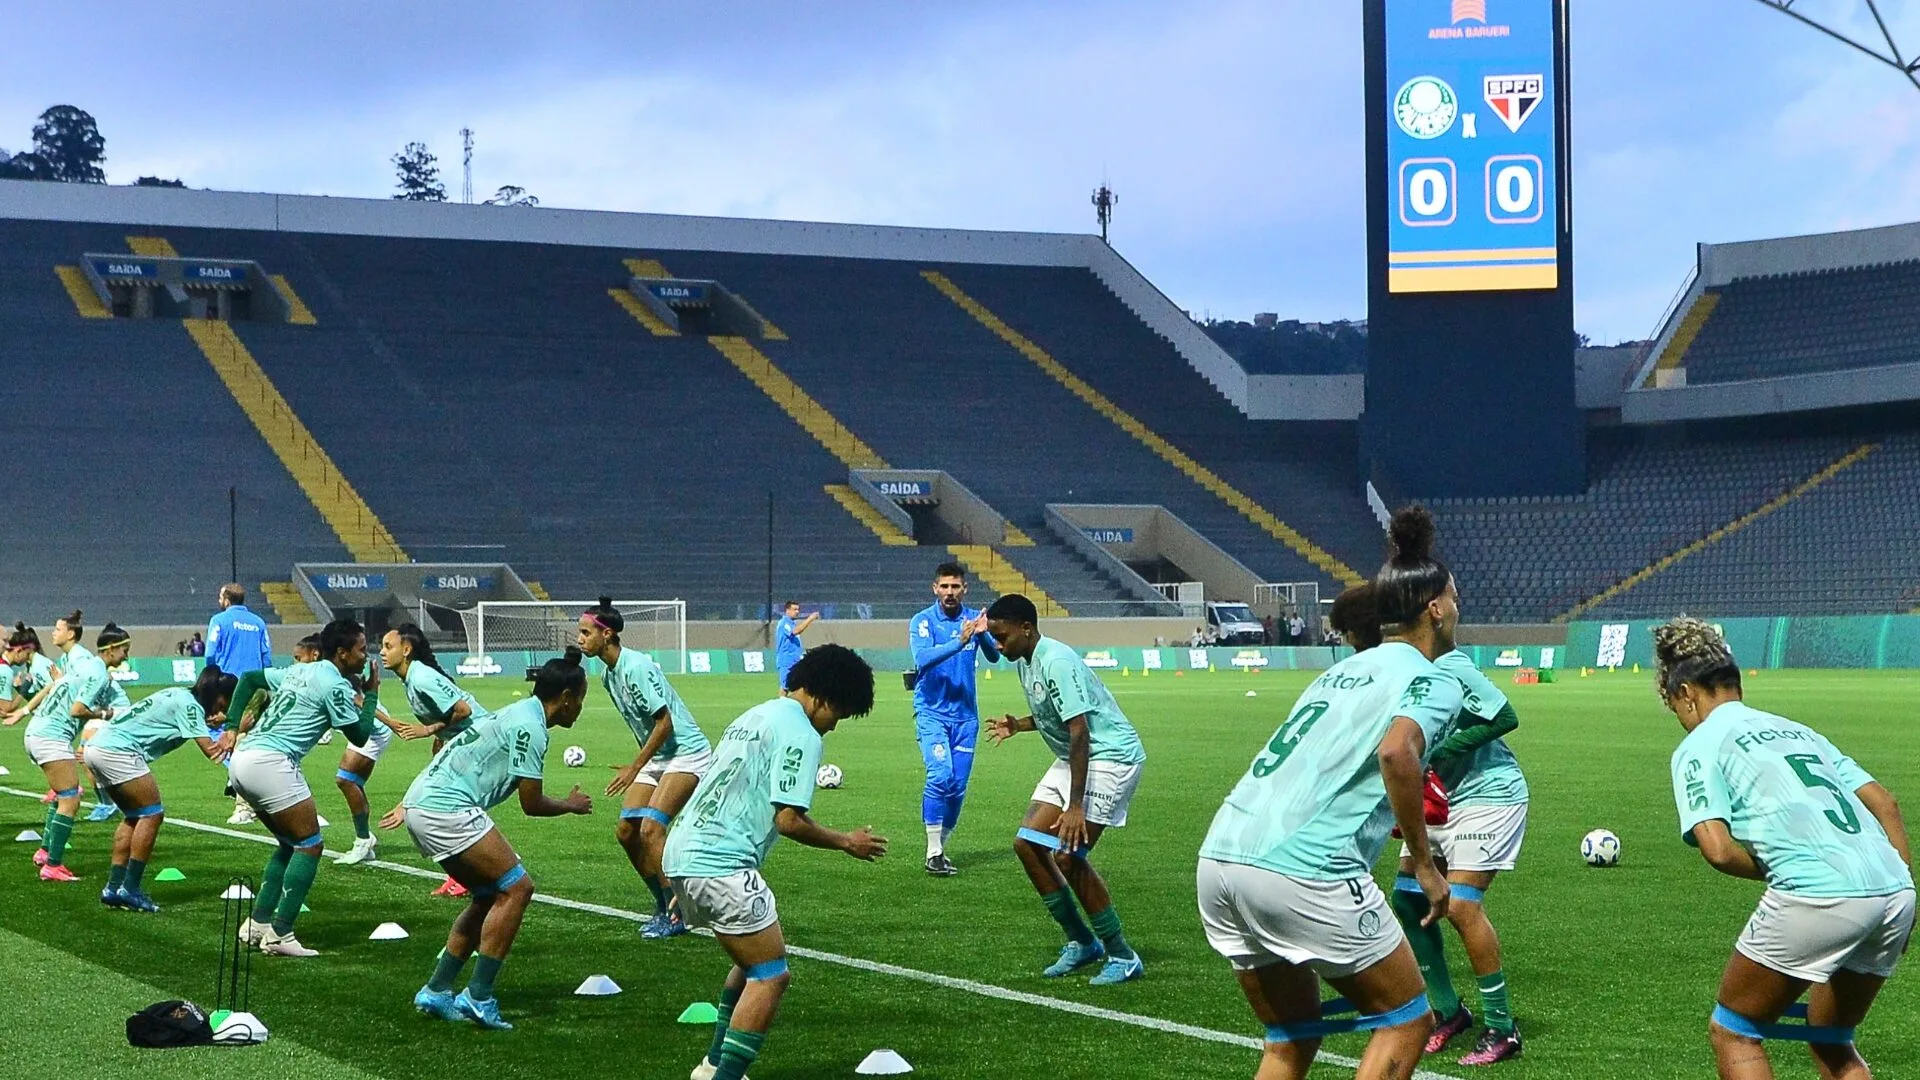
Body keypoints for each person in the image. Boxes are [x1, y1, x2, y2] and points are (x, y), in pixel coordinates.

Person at [1194, 507, 1463, 1080]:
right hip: (1304, 870)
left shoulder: (1335, 674)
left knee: (1291, 1038)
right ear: (1435, 609)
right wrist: (1421, 859)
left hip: (1221, 856)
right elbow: (1397, 753)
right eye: (1455, 599)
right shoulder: (1434, 678)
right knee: (1407, 1017)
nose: (1458, 611)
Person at [1660, 617, 1914, 1080]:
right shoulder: (1799, 731)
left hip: (1820, 893)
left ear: (1687, 696)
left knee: (1735, 1031)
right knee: (1831, 1039)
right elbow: (1886, 804)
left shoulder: (1700, 744)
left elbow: (1716, 849)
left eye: (1676, 708)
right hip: (1895, 891)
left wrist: (1785, 863)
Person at [664, 644, 885, 1080]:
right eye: (838, 714)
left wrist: (685, 881)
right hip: (721, 862)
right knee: (771, 976)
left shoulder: (756, 714)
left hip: (684, 853)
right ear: (821, 698)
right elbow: (789, 821)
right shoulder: (800, 730)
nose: (834, 726)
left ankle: (712, 1066)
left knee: (749, 964)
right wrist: (846, 842)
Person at [1330, 590, 1525, 1064]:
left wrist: (1438, 753)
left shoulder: (1451, 666)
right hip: (1439, 798)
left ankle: (1502, 1027)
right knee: (1408, 897)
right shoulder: (1392, 671)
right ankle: (1447, 1011)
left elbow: (1505, 716)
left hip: (1489, 793)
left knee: (1461, 906)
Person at [388, 649, 593, 1030]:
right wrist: (570, 805)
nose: (580, 707)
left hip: (421, 804)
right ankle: (479, 996)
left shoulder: (516, 713)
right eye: (580, 698)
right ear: (565, 698)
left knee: (488, 895)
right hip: (445, 809)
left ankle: (437, 990)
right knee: (518, 889)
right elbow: (530, 804)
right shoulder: (531, 728)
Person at [984, 593, 1147, 987]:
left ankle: (1123, 955)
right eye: (994, 638)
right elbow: (1055, 714)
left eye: (1002, 637)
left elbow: (1080, 729)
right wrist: (1020, 725)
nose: (998, 645)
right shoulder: (1026, 658)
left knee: (1069, 856)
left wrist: (1075, 806)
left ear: (1027, 628)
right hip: (1077, 756)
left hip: (1109, 757)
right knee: (1027, 844)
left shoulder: (1055, 660)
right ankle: (1081, 941)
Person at [225, 619, 379, 956]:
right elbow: (360, 735)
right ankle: (281, 935)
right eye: (362, 650)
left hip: (243, 760)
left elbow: (251, 678)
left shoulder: (299, 671)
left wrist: (232, 725)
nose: (366, 656)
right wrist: (371, 695)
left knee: (288, 843)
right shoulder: (334, 684)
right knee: (310, 846)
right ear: (342, 653)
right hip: (272, 763)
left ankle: (258, 924)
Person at [577, 596, 712, 938]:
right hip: (658, 758)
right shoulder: (609, 675)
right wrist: (641, 762)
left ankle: (679, 912)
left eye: (585, 632)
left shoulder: (636, 667)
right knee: (626, 831)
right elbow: (645, 727)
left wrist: (635, 767)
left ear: (606, 634)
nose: (580, 639)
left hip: (686, 753)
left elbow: (664, 723)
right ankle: (662, 904)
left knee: (651, 829)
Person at [87, 666, 238, 911]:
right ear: (219, 695)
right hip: (118, 751)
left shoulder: (180, 695)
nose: (225, 708)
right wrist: (234, 729)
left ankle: (113, 888)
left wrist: (212, 721)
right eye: (226, 702)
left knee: (134, 816)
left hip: (97, 747)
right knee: (152, 814)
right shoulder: (189, 706)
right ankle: (131, 889)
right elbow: (212, 752)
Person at [909, 562, 999, 876]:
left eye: (955, 586)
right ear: (935, 588)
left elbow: (995, 656)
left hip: (966, 718)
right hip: (932, 713)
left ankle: (940, 851)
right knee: (940, 775)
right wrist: (959, 641)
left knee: (957, 787)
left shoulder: (973, 619)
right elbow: (922, 658)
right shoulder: (922, 621)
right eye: (944, 586)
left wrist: (983, 635)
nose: (950, 592)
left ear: (965, 589)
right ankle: (932, 850)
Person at [25, 623, 133, 880]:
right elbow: (77, 709)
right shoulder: (96, 673)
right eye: (124, 650)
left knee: (64, 794)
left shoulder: (86, 667)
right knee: (71, 799)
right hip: (51, 736)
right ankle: (53, 865)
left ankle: (45, 852)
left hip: (36, 732)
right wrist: (105, 714)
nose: (127, 656)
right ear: (112, 649)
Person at [226, 634, 322, 827]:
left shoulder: (322, 680)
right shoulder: (291, 676)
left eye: (298, 658)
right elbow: (250, 679)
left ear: (315, 655)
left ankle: (306, 810)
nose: (294, 663)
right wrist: (232, 727)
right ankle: (243, 807)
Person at [206, 583, 271, 677]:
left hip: (227, 681)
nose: (219, 601)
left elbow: (210, 654)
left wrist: (212, 677)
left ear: (227, 601)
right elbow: (266, 656)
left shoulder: (218, 621)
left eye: (220, 597)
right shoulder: (259, 622)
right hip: (252, 682)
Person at [1, 623, 57, 725]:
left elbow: (54, 691)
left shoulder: (39, 665)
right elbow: (6, 709)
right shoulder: (27, 666)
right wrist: (22, 689)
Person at [773, 601, 817, 689]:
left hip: (796, 659)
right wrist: (810, 619)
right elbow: (795, 632)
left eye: (798, 609)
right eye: (794, 609)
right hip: (786, 660)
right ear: (787, 610)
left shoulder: (792, 623)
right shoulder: (784, 623)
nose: (797, 612)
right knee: (785, 687)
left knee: (801, 685)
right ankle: (782, 702)